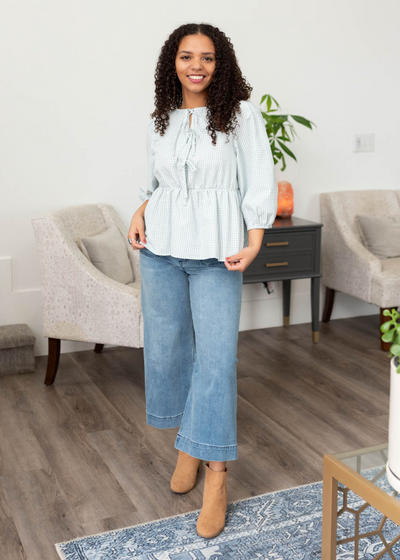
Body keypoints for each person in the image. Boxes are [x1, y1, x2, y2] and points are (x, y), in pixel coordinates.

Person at [127, 22, 278, 539]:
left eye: (207, 57)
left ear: (221, 64)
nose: (197, 66)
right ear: (173, 62)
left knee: (217, 360)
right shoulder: (161, 118)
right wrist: (140, 210)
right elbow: (159, 181)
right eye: (187, 56)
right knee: (169, 351)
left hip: (217, 252)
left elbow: (259, 176)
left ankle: (216, 476)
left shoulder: (240, 115)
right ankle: (189, 444)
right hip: (160, 249)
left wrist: (255, 237)